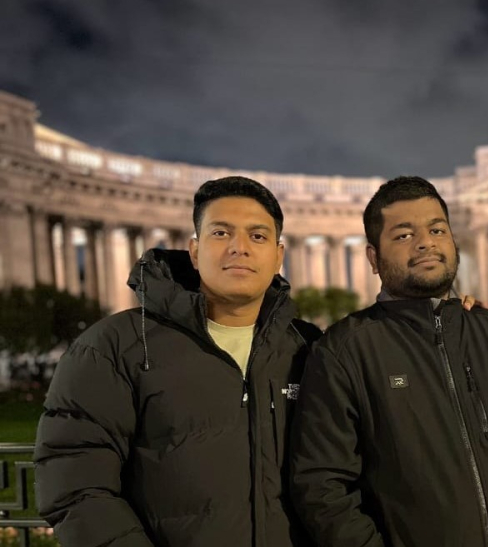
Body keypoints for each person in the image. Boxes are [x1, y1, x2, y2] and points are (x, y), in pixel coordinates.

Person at [291, 176, 488, 547]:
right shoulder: (343, 351)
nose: (426, 242)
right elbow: (322, 485)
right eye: (403, 235)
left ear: (452, 240)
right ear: (373, 258)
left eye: (436, 229)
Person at [34, 176, 322, 547]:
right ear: (195, 250)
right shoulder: (113, 346)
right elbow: (74, 481)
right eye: (221, 233)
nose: (240, 248)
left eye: (258, 236)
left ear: (278, 255)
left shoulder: (309, 347)